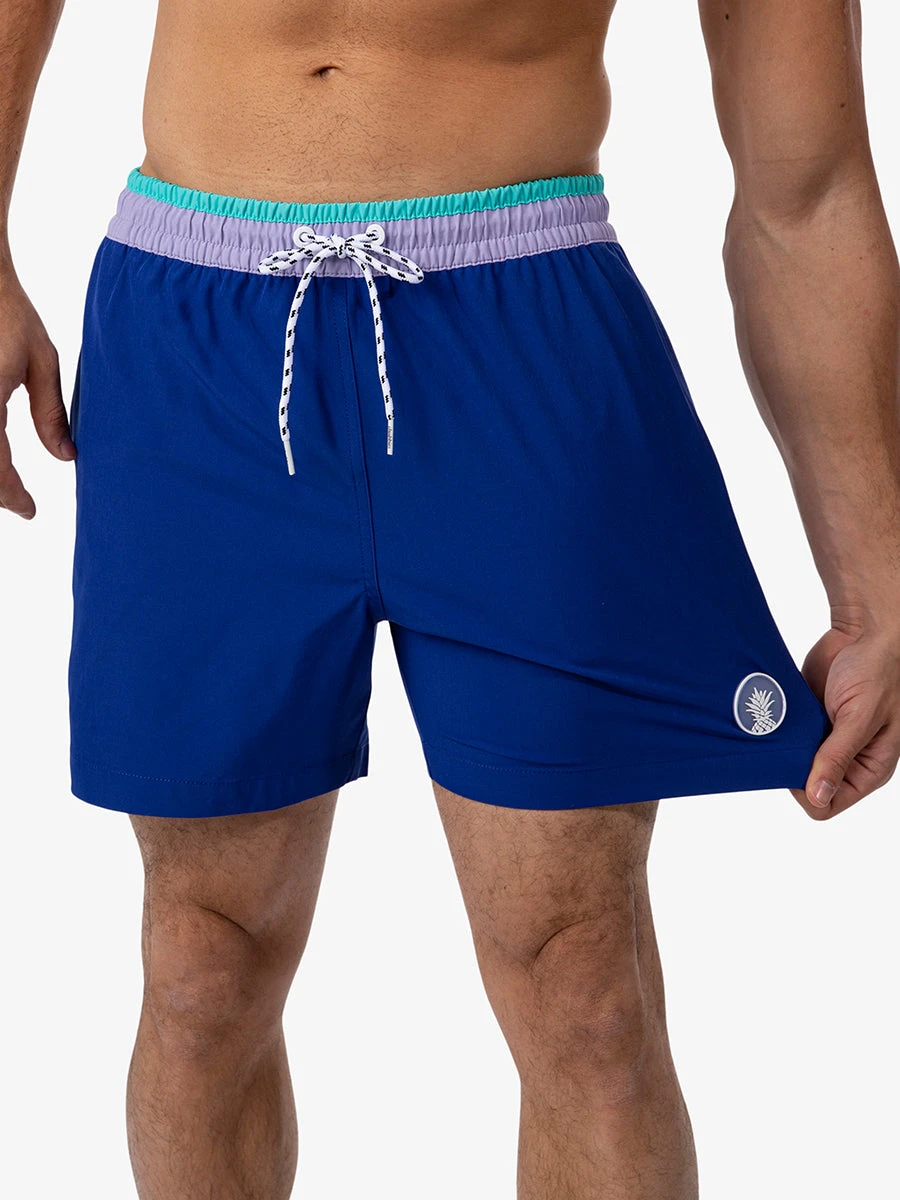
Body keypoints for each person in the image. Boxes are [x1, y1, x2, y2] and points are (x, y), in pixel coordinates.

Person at [2, 1, 898, 1197]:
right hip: (198, 343)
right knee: (201, 967)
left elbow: (807, 189)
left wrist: (876, 584)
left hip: (525, 337)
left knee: (581, 983)